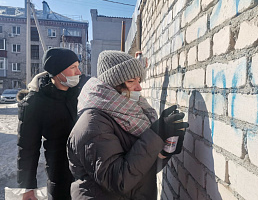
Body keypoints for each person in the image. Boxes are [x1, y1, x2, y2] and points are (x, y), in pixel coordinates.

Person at [67, 50, 189, 199]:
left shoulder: (132, 112)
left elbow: (139, 171)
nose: (139, 88)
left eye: (139, 80)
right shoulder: (93, 124)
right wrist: (155, 136)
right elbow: (117, 181)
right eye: (131, 81)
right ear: (112, 85)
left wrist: (164, 151)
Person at [17, 48, 83, 200]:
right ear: (58, 72)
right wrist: (27, 186)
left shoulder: (82, 92)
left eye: (78, 67)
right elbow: (27, 148)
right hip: (60, 175)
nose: (78, 72)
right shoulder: (35, 102)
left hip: (88, 173)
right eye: (73, 68)